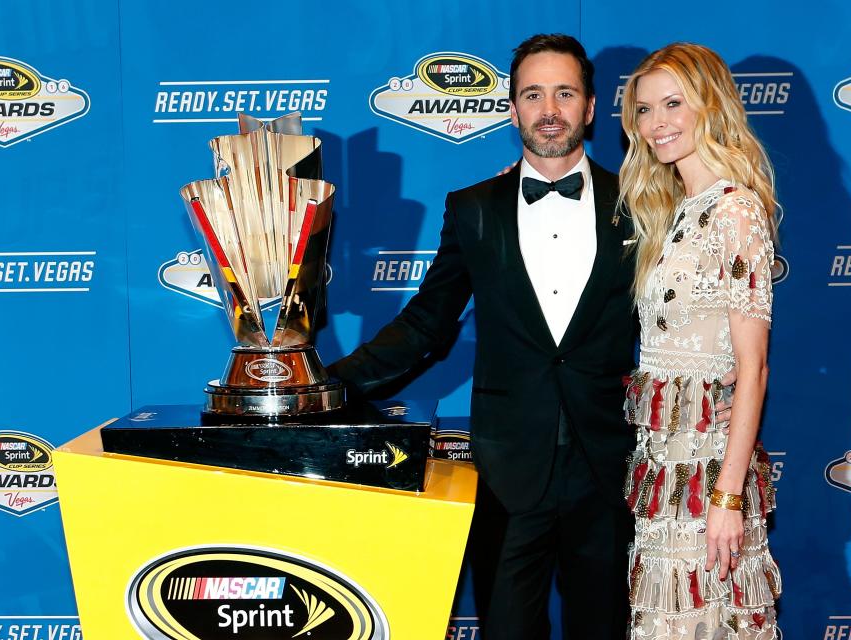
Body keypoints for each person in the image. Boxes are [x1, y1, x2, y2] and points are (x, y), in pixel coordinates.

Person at [330, 34, 638, 640]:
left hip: (609, 466)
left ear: (592, 106)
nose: (550, 109)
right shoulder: (473, 208)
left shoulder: (641, 203)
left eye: (565, 93)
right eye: (533, 95)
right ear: (513, 107)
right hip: (507, 469)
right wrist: (326, 386)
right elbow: (427, 323)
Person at [618, 43, 782, 639]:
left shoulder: (737, 212)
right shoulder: (673, 209)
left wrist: (729, 496)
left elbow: (753, 365)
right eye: (643, 109)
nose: (656, 123)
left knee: (712, 618)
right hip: (663, 475)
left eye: (672, 103)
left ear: (709, 105)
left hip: (710, 471)